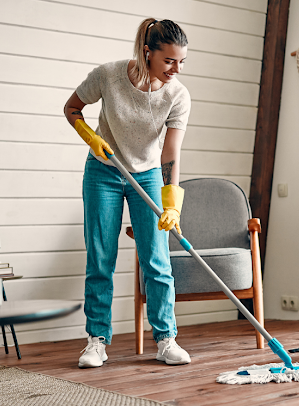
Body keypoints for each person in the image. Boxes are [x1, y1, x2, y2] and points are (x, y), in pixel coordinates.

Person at [63, 18, 191, 368]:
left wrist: (172, 203)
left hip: (148, 174)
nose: (176, 69)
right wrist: (90, 136)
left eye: (182, 62)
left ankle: (166, 340)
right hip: (103, 172)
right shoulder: (109, 75)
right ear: (147, 52)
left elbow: (170, 154)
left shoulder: (177, 95)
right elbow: (71, 108)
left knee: (157, 260)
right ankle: (97, 340)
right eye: (169, 61)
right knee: (101, 257)